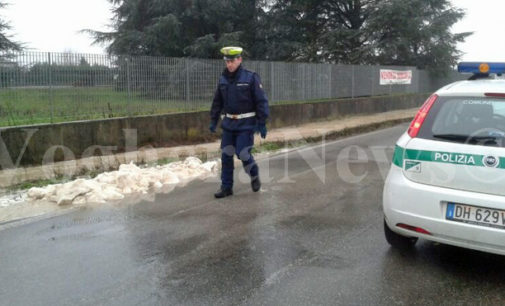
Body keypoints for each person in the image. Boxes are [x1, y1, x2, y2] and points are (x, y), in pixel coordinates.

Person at [209, 46, 269, 198]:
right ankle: (226, 187)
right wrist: (214, 119)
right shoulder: (223, 79)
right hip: (229, 123)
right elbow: (217, 102)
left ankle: (254, 175)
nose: (229, 64)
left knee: (242, 153)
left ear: (239, 60)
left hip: (246, 124)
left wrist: (261, 123)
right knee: (226, 155)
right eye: (227, 61)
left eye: (232, 61)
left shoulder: (250, 77)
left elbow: (261, 101)